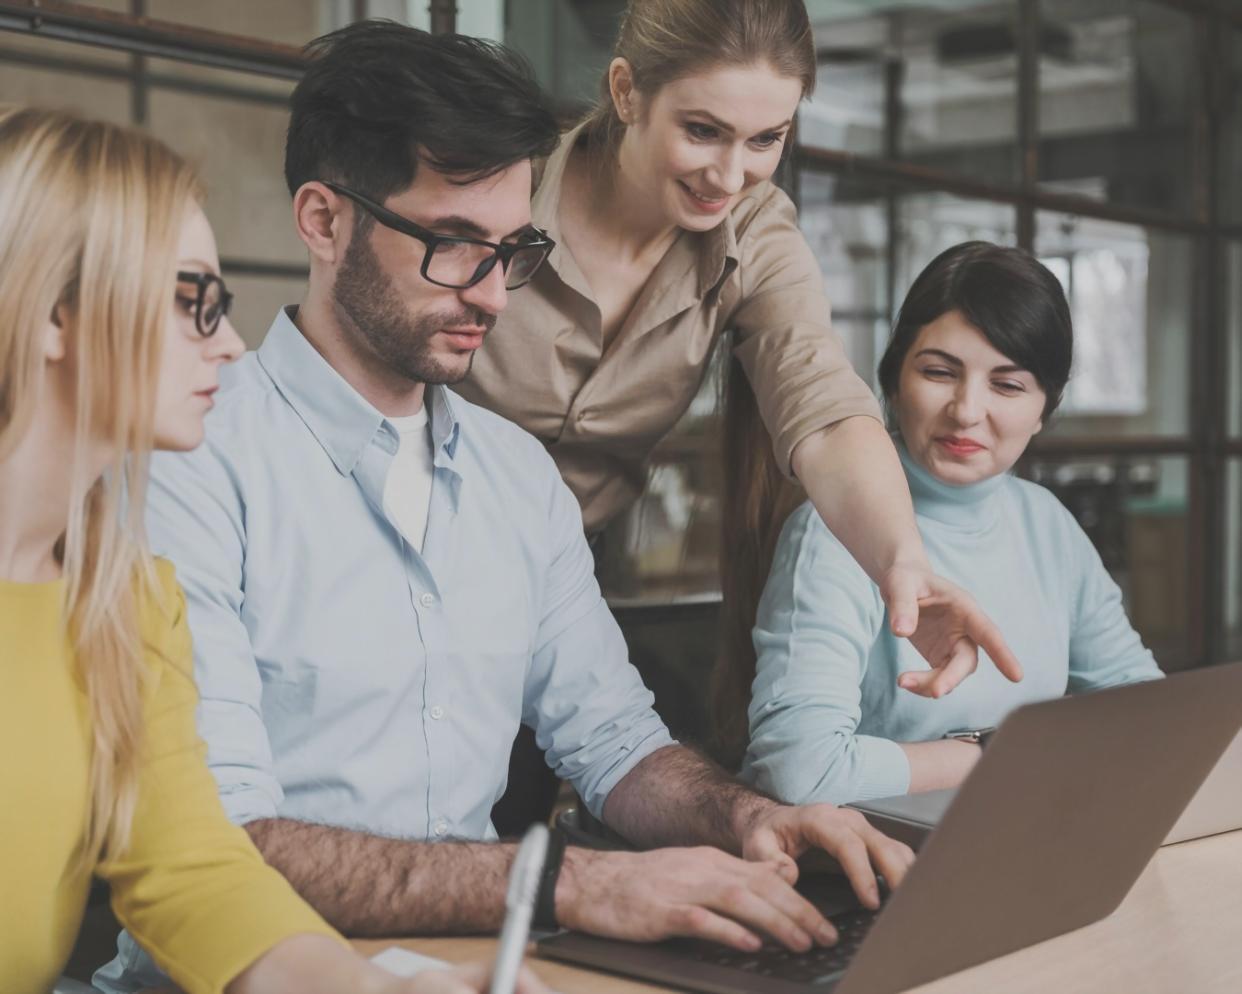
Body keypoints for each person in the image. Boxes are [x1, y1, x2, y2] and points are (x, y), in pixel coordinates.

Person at [96, 22, 915, 994]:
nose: (493, 295)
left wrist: (751, 819)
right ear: (323, 222)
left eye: (513, 250)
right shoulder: (188, 462)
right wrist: (570, 881)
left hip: (473, 967)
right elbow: (218, 847)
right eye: (453, 246)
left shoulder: (517, 478)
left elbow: (617, 747)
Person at [0, 106, 540, 994]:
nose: (229, 342)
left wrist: (383, 992)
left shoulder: (126, 601)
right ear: (55, 314)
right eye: (193, 304)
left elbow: (194, 876)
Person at [455, 0, 1023, 724]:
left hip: (561, 579)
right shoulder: (508, 184)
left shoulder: (754, 231)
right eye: (702, 131)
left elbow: (822, 406)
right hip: (409, 546)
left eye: (765, 139)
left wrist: (901, 561)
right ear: (627, 91)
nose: (729, 176)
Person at [721, 241, 1164, 806]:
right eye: (938, 372)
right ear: (892, 381)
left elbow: (1145, 709)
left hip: (1034, 826)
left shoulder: (1047, 523)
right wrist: (999, 755)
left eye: (1007, 385)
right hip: (889, 848)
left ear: (1044, 410)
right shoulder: (833, 531)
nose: (966, 411)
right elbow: (799, 770)